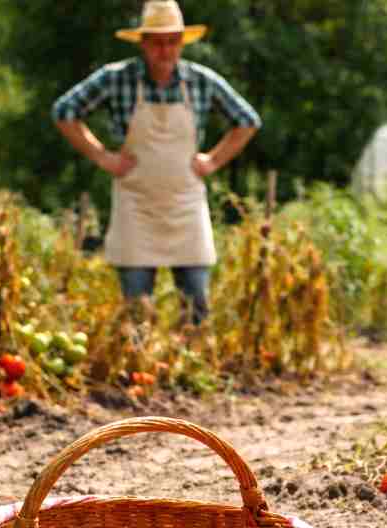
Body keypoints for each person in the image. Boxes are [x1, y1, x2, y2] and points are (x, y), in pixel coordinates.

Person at [52, 1, 260, 325]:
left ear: (182, 41)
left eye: (172, 41)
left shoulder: (201, 81)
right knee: (137, 309)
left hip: (185, 204)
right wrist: (103, 157)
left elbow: (247, 121)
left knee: (196, 306)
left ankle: (192, 367)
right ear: (143, 42)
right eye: (158, 42)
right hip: (136, 204)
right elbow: (64, 112)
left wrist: (213, 161)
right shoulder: (116, 78)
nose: (165, 50)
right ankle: (140, 370)